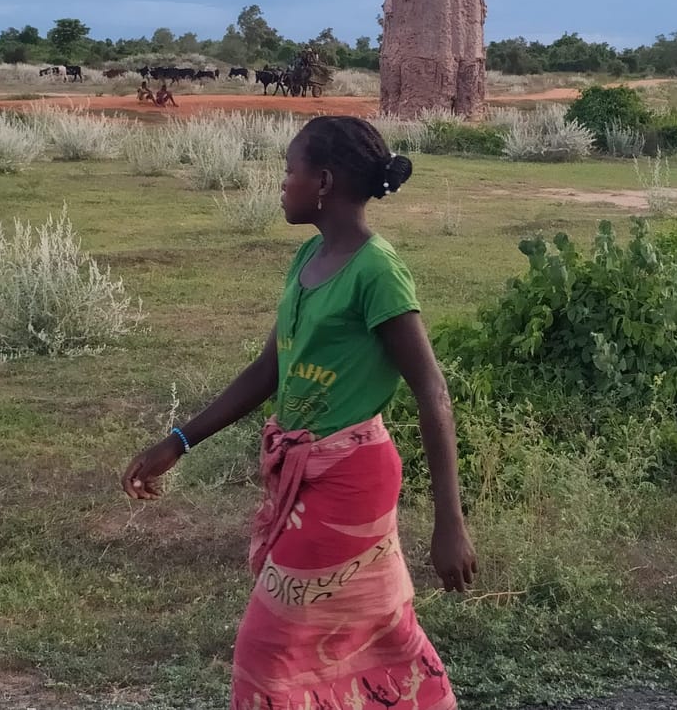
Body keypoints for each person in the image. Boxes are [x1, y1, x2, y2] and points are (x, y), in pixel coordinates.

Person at [121, 116, 476, 709]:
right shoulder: (310, 258)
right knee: (370, 634)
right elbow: (269, 371)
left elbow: (432, 391)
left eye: (290, 170)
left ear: (324, 182)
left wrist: (450, 522)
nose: (282, 182)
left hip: (350, 481)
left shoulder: (377, 271)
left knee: (269, 648)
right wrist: (179, 440)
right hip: (304, 474)